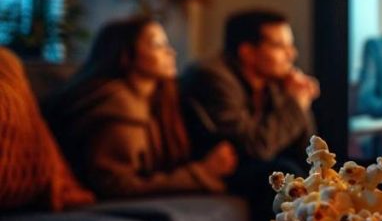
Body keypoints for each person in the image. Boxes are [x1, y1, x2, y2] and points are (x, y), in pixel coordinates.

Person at [46, 17, 238, 198]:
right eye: (157, 45)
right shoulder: (116, 104)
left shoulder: (158, 99)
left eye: (167, 44)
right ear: (126, 55)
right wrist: (201, 173)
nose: (170, 52)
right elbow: (115, 184)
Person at [180, 9, 317, 168]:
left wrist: (297, 97)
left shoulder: (272, 80)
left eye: (291, 45)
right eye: (280, 46)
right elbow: (254, 148)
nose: (292, 54)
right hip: (226, 168)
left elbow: (305, 150)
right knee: (284, 172)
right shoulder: (212, 77)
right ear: (248, 52)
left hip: (258, 160)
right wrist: (295, 104)